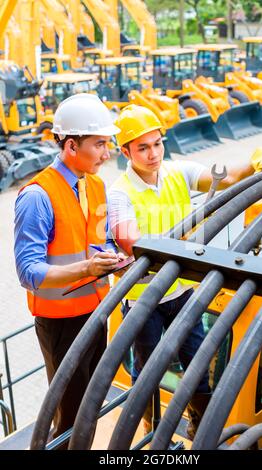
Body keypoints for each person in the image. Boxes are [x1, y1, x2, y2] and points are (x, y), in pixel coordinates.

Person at [108, 104, 262, 440]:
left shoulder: (178, 172)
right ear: (126, 151)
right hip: (144, 301)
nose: (153, 153)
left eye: (157, 143)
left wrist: (256, 160)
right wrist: (182, 240)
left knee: (198, 365)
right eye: (143, 147)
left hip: (182, 293)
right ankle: (150, 429)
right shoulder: (119, 193)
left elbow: (227, 176)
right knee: (145, 373)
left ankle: (199, 426)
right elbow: (131, 240)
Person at [14, 93, 124, 444]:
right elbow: (28, 272)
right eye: (100, 144)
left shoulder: (95, 185)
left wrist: (110, 257)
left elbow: (98, 239)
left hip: (96, 313)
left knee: (91, 404)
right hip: (61, 324)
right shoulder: (38, 196)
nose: (108, 154)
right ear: (72, 145)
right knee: (71, 415)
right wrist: (87, 267)